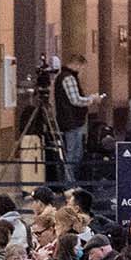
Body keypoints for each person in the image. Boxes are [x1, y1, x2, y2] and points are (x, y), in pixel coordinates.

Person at [53, 53, 101, 182]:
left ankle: (71, 181)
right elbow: (75, 100)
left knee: (73, 152)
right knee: (73, 154)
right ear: (77, 64)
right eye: (82, 67)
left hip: (69, 120)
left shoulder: (62, 77)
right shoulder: (69, 78)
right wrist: (92, 99)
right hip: (72, 121)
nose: (82, 71)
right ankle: (70, 183)